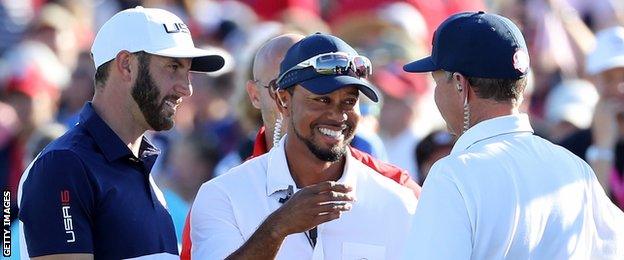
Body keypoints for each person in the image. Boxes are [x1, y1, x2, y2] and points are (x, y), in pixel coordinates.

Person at [180, 32, 421, 260]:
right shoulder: (224, 195)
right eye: (321, 100)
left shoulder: (397, 200)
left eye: (349, 101)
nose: (338, 116)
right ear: (283, 100)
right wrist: (277, 229)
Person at [402, 11, 624, 259]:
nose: (436, 94)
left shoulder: (452, 175)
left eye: (436, 81)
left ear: (459, 84)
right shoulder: (574, 167)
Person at [17, 6, 224, 259]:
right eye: (173, 67)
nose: (186, 88)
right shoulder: (63, 165)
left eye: (187, 71)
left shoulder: (139, 165)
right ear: (126, 65)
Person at [560, 26, 624, 209]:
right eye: (609, 78)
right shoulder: (570, 149)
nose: (619, 87)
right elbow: (591, 219)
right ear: (594, 81)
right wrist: (603, 148)